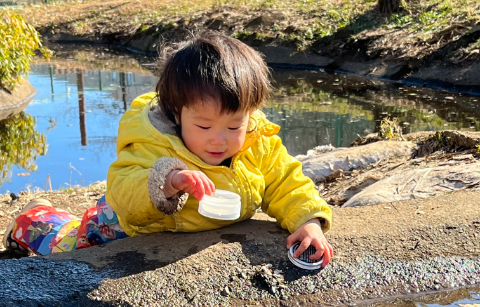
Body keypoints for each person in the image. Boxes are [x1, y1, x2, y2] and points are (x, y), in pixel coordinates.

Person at [3, 34, 333, 265]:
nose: (219, 140)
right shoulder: (154, 139)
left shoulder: (255, 138)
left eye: (234, 125)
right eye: (204, 127)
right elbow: (123, 187)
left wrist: (308, 219)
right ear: (177, 113)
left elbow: (285, 179)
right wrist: (167, 180)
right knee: (65, 243)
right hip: (124, 221)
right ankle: (34, 215)